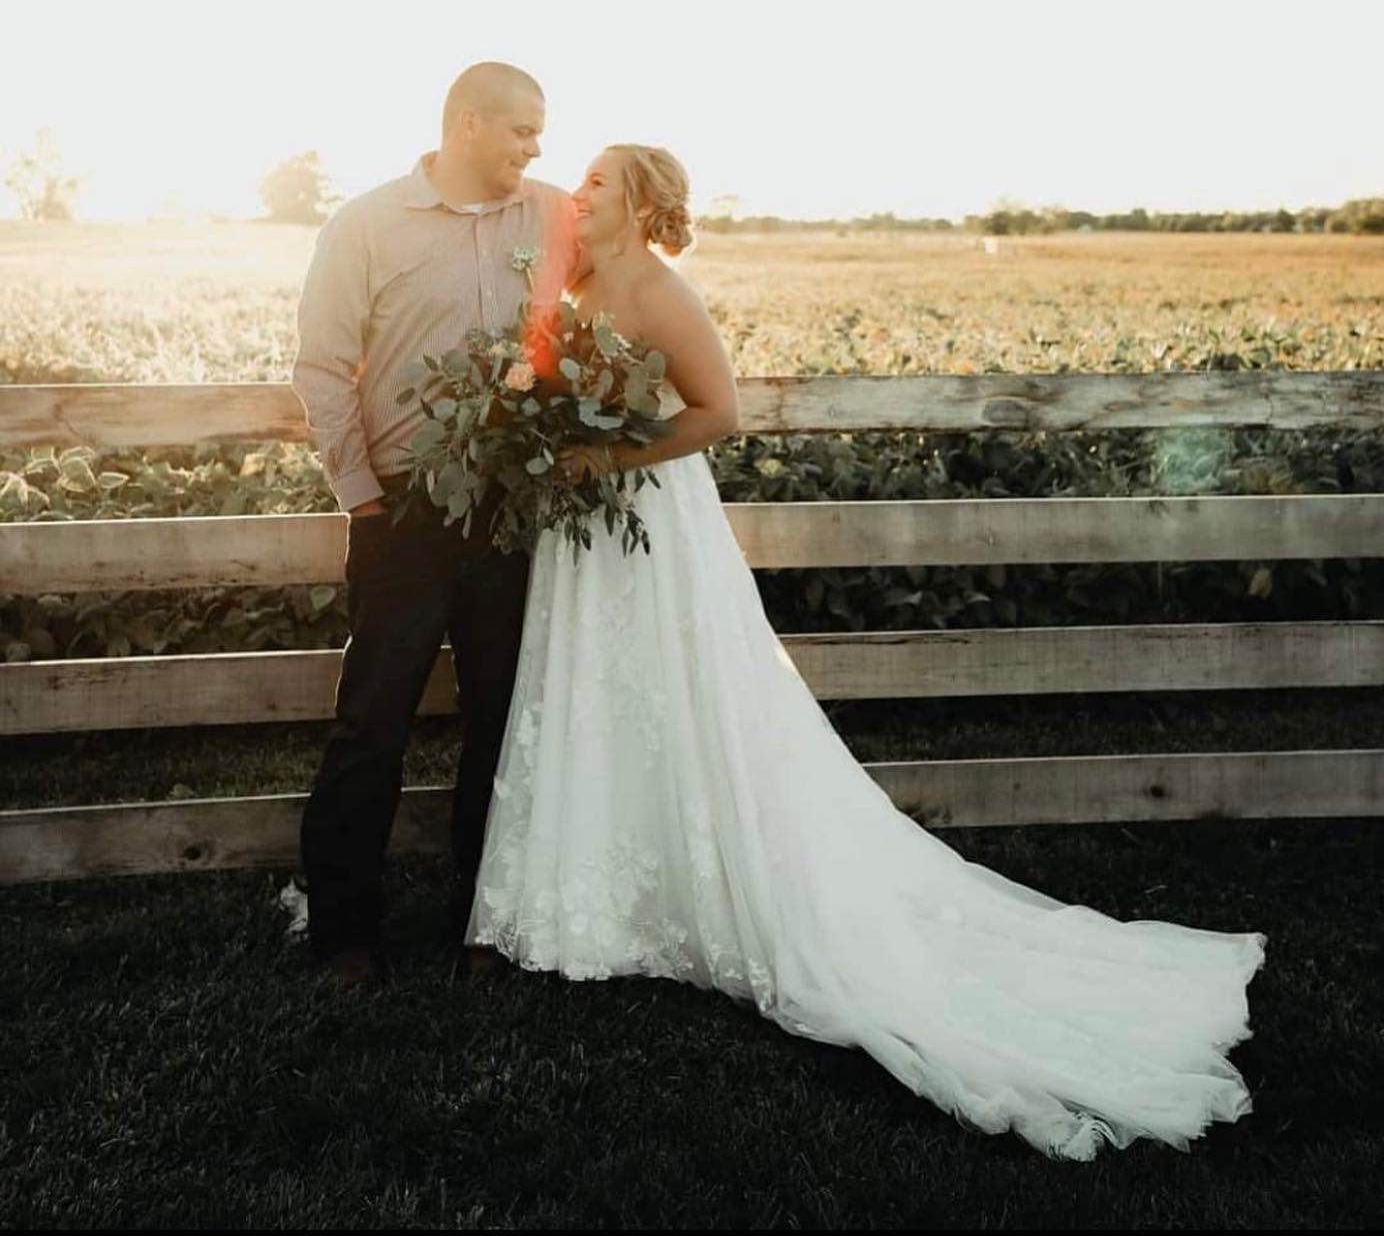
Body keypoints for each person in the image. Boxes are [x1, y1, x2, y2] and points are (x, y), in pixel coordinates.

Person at [465, 142, 1268, 1162]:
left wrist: (605, 451)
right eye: (579, 181)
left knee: (672, 687)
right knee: (589, 689)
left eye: (595, 183)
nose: (578, 194)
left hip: (652, 519)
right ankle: (597, 899)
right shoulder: (575, 275)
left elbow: (720, 410)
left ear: (639, 202)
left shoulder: (664, 292)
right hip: (582, 523)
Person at [291, 61, 576, 987]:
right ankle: (343, 933)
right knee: (372, 721)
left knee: (504, 717)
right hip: (404, 507)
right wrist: (363, 500)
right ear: (465, 124)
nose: (537, 147)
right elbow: (324, 366)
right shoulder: (365, 223)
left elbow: (626, 292)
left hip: (510, 507)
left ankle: (482, 925)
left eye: (540, 133)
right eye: (522, 130)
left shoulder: (553, 214)